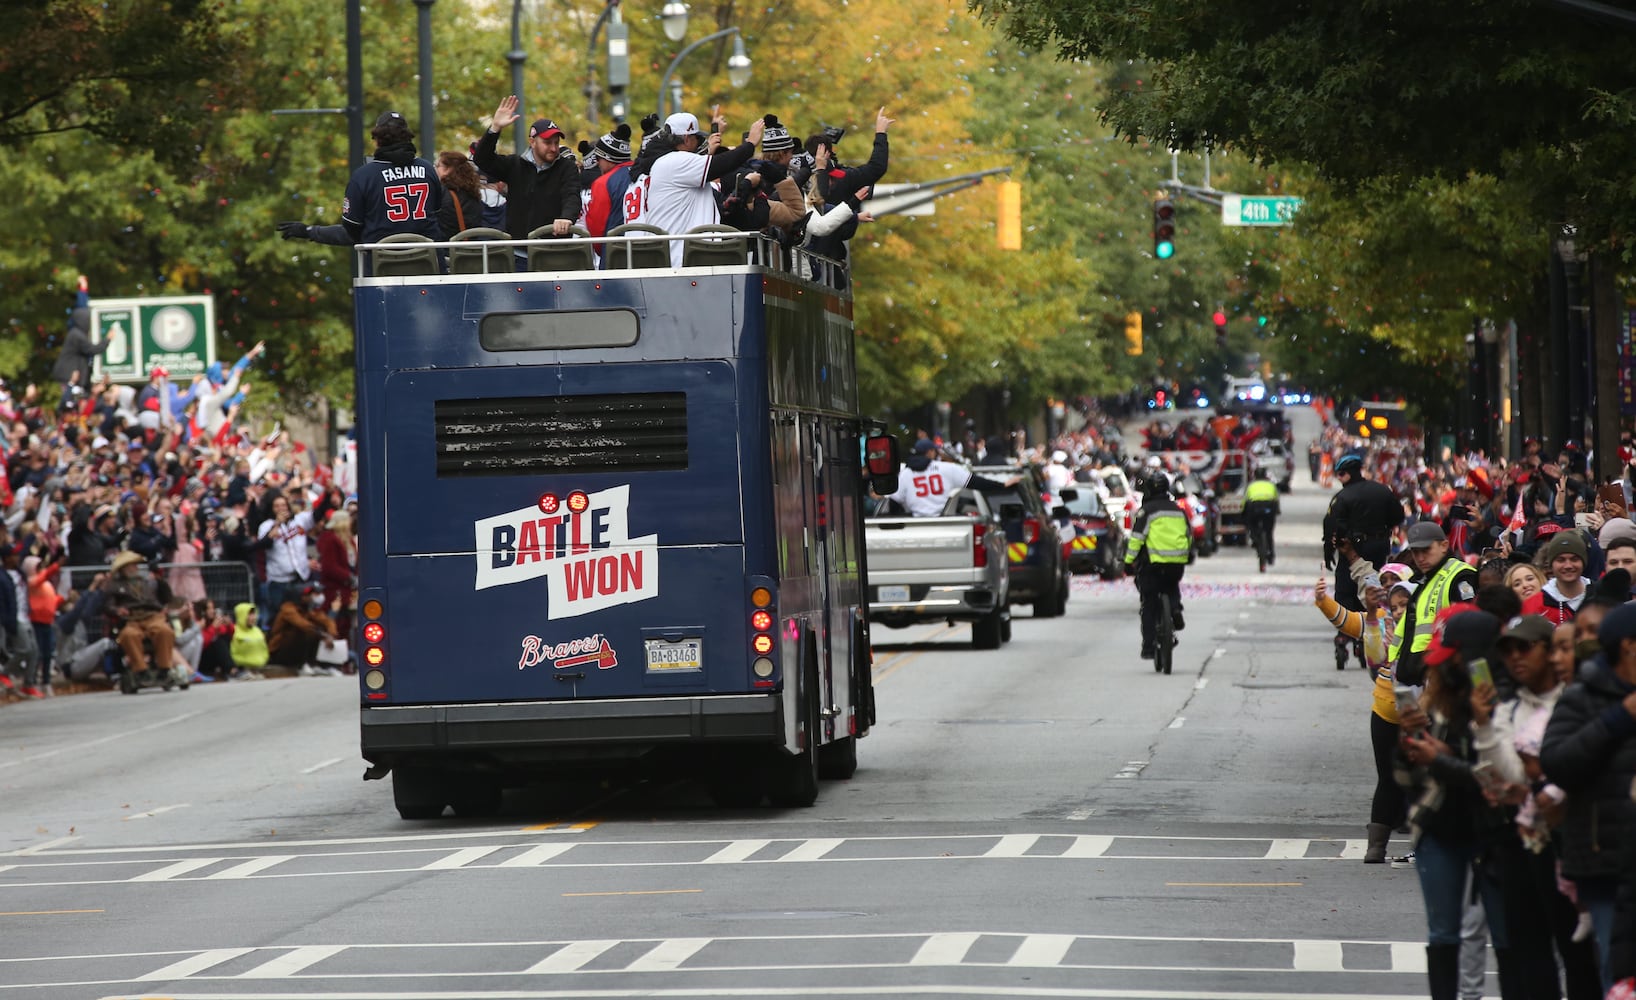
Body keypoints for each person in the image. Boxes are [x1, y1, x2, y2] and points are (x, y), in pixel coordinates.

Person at [1397, 608, 1523, 1000]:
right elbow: (1405, 780)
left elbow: (1498, 780)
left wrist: (1443, 759)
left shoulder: (1508, 706)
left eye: (1450, 657)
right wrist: (1409, 746)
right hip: (1441, 827)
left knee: (1508, 937)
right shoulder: (1437, 703)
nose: (1443, 667)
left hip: (1499, 831)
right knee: (1443, 934)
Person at [1541, 600, 1636, 991]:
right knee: (1615, 969)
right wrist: (1619, 718)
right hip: (1605, 857)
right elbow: (1559, 762)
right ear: (1628, 646)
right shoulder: (1585, 694)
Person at [277, 111, 444, 251]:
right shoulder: (428, 169)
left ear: (377, 139)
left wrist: (309, 231)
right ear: (408, 137)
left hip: (381, 269)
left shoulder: (363, 176)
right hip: (428, 265)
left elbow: (352, 229)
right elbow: (437, 213)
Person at [632, 112, 765, 265]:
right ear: (687, 139)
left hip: (672, 254)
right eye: (696, 137)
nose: (698, 142)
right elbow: (721, 164)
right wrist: (750, 145)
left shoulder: (666, 161)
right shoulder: (675, 160)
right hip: (678, 256)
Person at [1323, 452, 1403, 666]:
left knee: (1345, 589)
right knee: (1374, 585)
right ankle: (1368, 626)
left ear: (1347, 474)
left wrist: (1330, 551)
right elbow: (1399, 516)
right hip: (1379, 547)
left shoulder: (1342, 497)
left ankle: (1346, 632)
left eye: (1340, 474)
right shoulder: (1382, 491)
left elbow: (1330, 524)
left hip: (1352, 549)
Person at [473, 97, 582, 242]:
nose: (554, 148)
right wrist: (495, 129)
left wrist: (566, 218)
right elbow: (482, 159)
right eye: (547, 142)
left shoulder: (566, 167)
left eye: (556, 143)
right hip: (519, 251)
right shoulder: (515, 164)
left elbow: (572, 195)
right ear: (532, 142)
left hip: (554, 249)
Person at [1394, 521, 1480, 688]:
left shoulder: (1460, 576)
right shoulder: (1425, 577)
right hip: (1418, 674)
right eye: (1415, 552)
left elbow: (1468, 626)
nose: (1420, 558)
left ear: (1444, 545)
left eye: (1426, 550)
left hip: (1441, 674)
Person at [1125, 469, 1190, 660]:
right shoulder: (1178, 510)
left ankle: (1148, 647)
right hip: (1177, 562)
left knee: (1149, 603)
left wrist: (1128, 562)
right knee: (1171, 585)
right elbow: (1189, 535)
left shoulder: (1147, 511)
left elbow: (1136, 538)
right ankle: (1176, 608)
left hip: (1153, 565)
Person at [879, 439, 1016, 516]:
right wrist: (1002, 485)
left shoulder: (906, 473)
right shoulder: (947, 468)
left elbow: (894, 503)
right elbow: (975, 482)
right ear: (930, 452)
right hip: (944, 519)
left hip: (917, 523)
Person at [101, 549, 175, 676]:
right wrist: (117, 610)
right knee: (129, 635)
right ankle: (141, 669)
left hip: (152, 615)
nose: (135, 567)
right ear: (123, 568)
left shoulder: (148, 581)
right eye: (132, 564)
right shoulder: (114, 585)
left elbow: (168, 598)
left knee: (164, 631)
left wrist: (159, 579)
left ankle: (165, 668)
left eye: (135, 564)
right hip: (131, 618)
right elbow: (108, 606)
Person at [257, 494, 313, 618]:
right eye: (276, 506)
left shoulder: (297, 521)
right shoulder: (266, 525)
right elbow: (263, 545)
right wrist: (277, 524)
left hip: (297, 578)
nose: (281, 508)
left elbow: (316, 515)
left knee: (300, 615)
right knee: (278, 616)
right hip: (278, 581)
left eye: (283, 505)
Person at [268, 583, 338, 676]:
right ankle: (301, 665)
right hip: (279, 651)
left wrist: (331, 635)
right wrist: (323, 635)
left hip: (295, 649)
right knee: (304, 631)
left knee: (317, 629)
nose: (311, 597)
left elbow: (327, 621)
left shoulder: (307, 609)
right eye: (307, 595)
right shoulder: (288, 609)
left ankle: (313, 664)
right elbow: (302, 624)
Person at [1523, 531, 1591, 625]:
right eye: (1561, 560)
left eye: (1574, 559)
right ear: (1551, 564)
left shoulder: (1599, 595)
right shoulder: (1533, 605)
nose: (1568, 565)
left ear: (1583, 562)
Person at [434, 151, 485, 239]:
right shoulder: (473, 191)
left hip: (449, 247)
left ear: (449, 169)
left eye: (438, 166)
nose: (435, 169)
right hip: (472, 246)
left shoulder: (442, 192)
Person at [1243, 466, 1282, 569]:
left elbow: (1245, 501)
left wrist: (1243, 513)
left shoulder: (1251, 486)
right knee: (1269, 533)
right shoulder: (1271, 485)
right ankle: (1271, 555)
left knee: (1251, 524)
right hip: (1269, 508)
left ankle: (1255, 539)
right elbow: (1276, 499)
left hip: (1254, 508)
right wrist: (1277, 510)